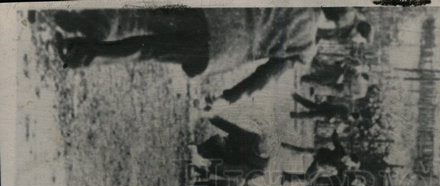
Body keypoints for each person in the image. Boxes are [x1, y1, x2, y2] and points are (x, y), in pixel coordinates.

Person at [53, 7, 321, 99]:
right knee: (149, 50)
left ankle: (90, 23)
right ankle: (79, 54)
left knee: (145, 21)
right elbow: (265, 76)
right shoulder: (307, 47)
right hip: (223, 51)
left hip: (218, 17)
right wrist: (232, 95)